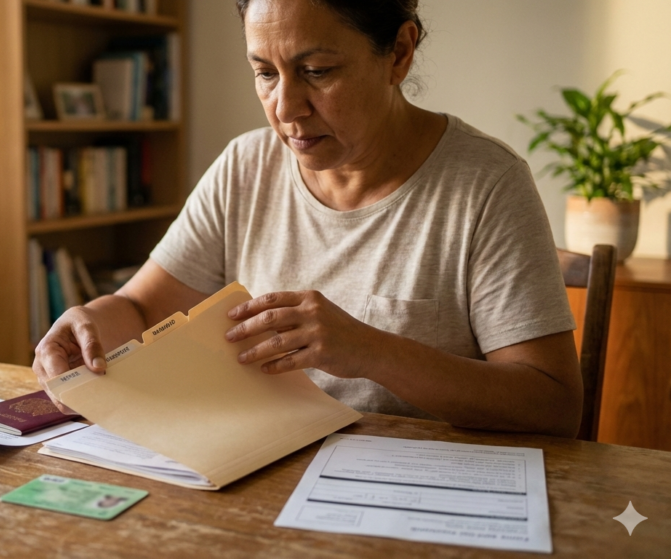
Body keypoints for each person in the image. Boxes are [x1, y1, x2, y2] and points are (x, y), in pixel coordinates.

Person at [33, 0, 583, 438]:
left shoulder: (487, 184)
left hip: (416, 497)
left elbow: (553, 405)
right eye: (264, 73)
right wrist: (85, 327)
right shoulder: (245, 166)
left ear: (399, 52)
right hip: (260, 467)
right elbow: (137, 307)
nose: (286, 108)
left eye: (317, 71)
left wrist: (371, 350)